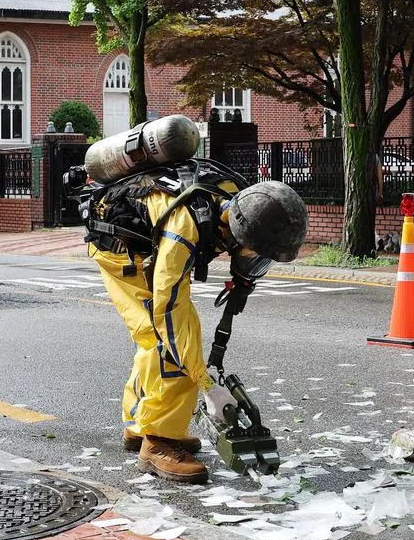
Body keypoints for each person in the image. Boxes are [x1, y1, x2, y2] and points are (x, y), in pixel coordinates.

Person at [86, 164, 307, 483]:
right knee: (171, 341)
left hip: (145, 236)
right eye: (257, 253)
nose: (256, 259)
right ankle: (158, 441)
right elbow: (169, 310)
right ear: (238, 234)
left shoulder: (238, 200)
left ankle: (141, 425)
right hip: (120, 248)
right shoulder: (184, 229)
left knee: (159, 338)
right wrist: (207, 386)